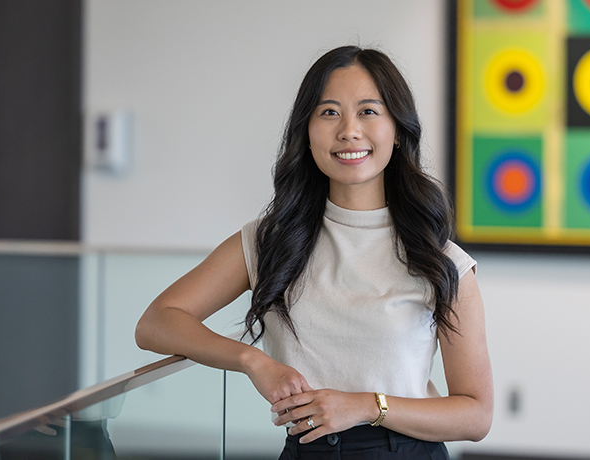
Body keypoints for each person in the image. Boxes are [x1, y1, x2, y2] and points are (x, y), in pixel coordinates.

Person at [135, 45, 492, 459]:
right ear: (306, 131)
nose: (348, 131)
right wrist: (254, 361)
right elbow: (156, 323)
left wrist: (365, 405)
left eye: (369, 111)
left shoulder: (442, 260)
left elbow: (476, 415)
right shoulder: (270, 240)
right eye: (329, 112)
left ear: (397, 130)